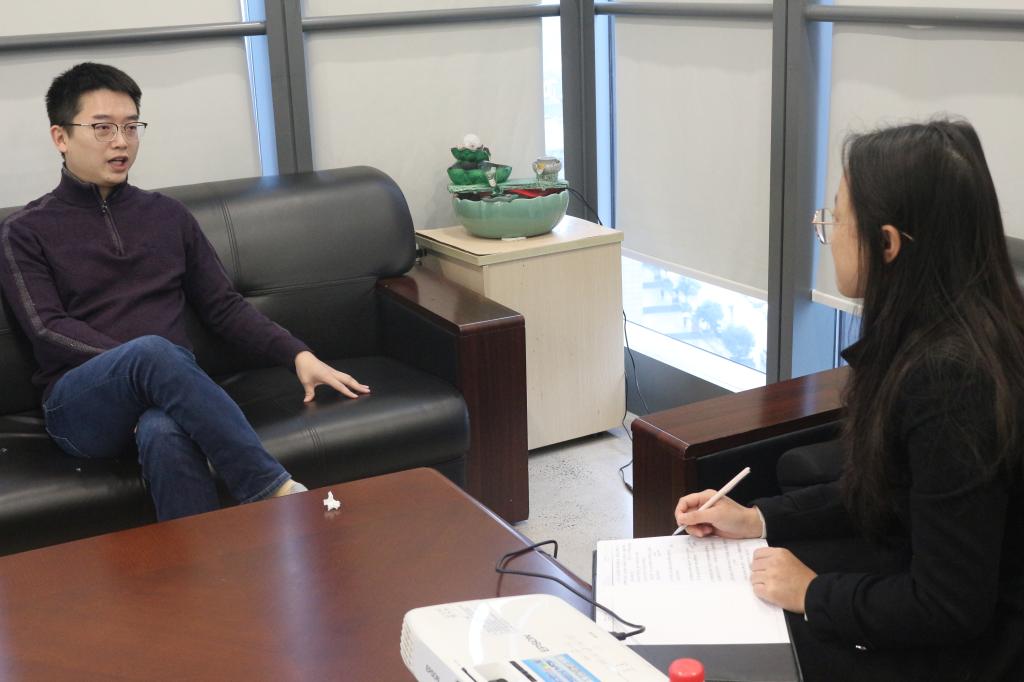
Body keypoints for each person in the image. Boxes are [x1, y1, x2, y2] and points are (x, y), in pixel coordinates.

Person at [674, 120, 1024, 681]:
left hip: (971, 648)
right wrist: (758, 518)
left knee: (718, 652)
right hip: (914, 577)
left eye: (836, 217)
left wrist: (813, 594)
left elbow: (950, 605)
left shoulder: (953, 381)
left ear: (887, 244)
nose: (829, 232)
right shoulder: (938, 333)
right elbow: (891, 490)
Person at [0, 62, 370, 522]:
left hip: (166, 394)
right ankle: (273, 491)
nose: (121, 141)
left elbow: (223, 306)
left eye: (131, 126)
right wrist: (145, 368)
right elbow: (47, 329)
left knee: (163, 429)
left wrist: (297, 354)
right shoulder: (25, 231)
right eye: (103, 128)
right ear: (61, 136)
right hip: (80, 404)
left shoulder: (168, 216)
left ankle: (204, 563)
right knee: (154, 352)